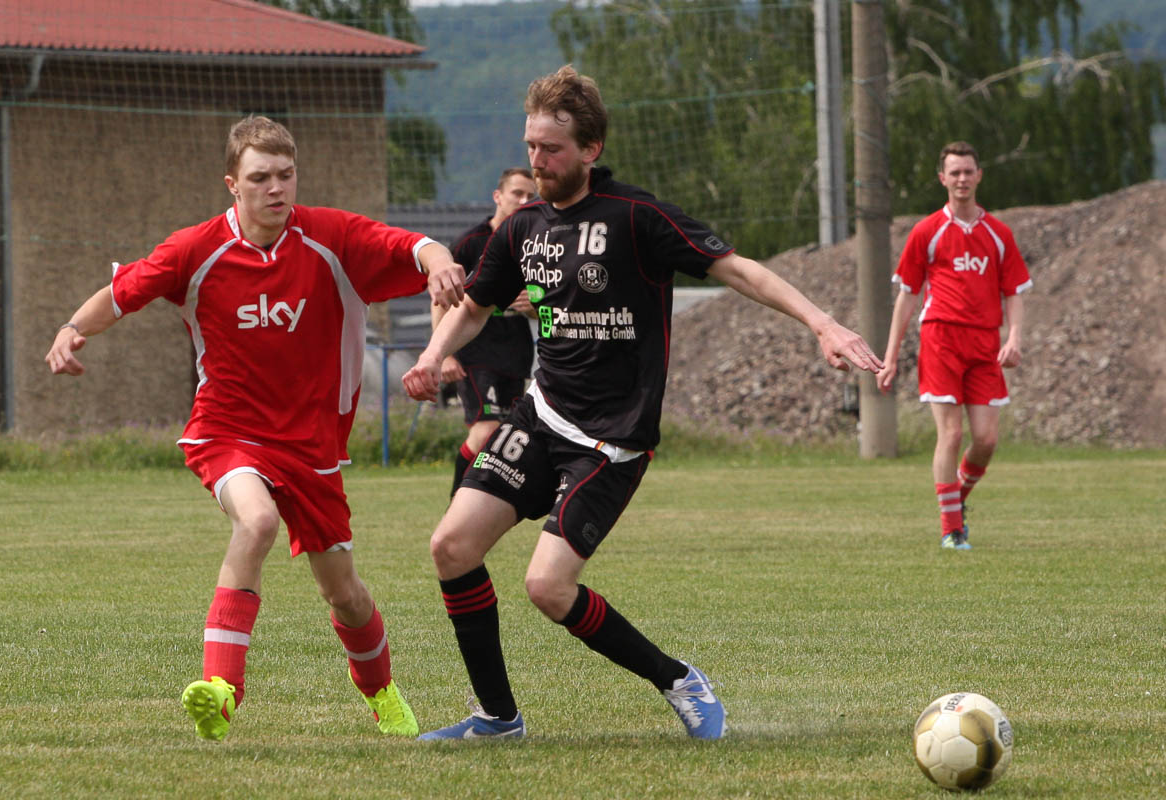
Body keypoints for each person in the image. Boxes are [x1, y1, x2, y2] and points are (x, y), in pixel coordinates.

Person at [401, 65, 883, 741]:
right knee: (451, 545)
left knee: (548, 587)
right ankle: (497, 718)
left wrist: (823, 324)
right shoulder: (522, 228)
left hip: (612, 442)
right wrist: (431, 357)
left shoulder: (638, 217)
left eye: (553, 150)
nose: (538, 162)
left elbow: (738, 269)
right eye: (532, 146)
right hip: (541, 416)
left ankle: (678, 679)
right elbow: (476, 307)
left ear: (591, 149)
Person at [44, 115, 465, 742]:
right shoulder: (196, 249)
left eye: (285, 175)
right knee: (257, 520)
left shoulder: (331, 238)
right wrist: (70, 328)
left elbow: (412, 245)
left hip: (313, 447)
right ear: (232, 186)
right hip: (227, 431)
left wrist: (439, 261)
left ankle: (383, 695)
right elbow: (121, 293)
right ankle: (220, 689)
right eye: (260, 178)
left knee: (345, 593)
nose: (276, 188)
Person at [877, 141, 1031, 550]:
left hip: (984, 344)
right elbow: (908, 295)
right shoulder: (927, 231)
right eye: (954, 172)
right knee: (950, 434)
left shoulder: (998, 233)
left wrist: (1014, 338)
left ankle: (954, 503)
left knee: (986, 440)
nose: (962, 179)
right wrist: (890, 358)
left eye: (968, 171)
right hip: (941, 339)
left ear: (979, 176)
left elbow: (1014, 290)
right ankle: (952, 530)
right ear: (942, 179)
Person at [436, 167, 538, 497]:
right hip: (474, 352)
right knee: (485, 432)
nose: (524, 201)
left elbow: (548, 301)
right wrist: (445, 352)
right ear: (498, 197)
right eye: (517, 194)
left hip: (516, 352)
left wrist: (534, 305)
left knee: (507, 437)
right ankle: (457, 505)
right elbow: (441, 298)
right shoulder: (470, 242)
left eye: (530, 196)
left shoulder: (535, 244)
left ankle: (482, 505)